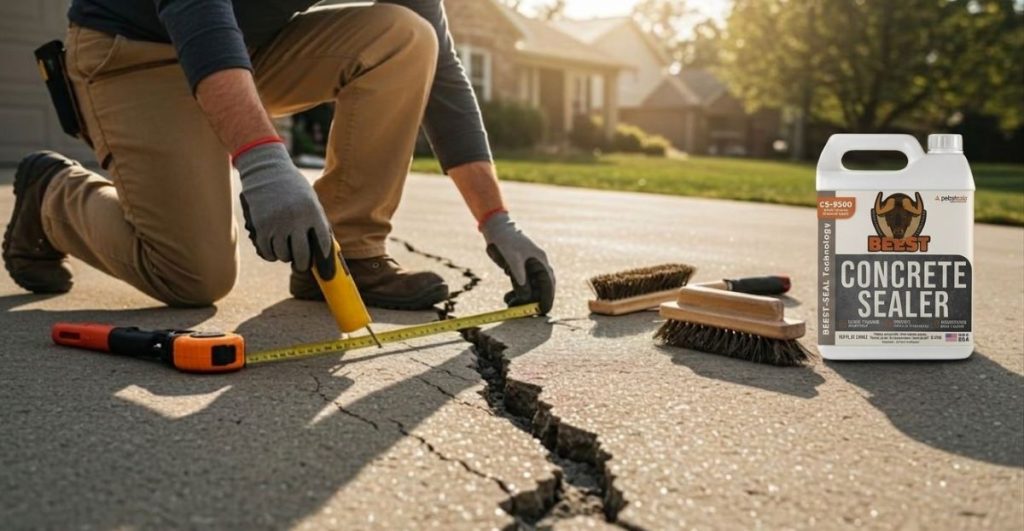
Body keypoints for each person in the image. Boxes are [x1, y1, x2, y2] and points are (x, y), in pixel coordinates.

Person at [2, 0, 555, 314]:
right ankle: (51, 194)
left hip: (247, 49)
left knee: (405, 37)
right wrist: (263, 161)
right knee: (193, 278)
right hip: (136, 54)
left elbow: (444, 78)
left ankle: (348, 256)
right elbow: (198, 11)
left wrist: (496, 220)